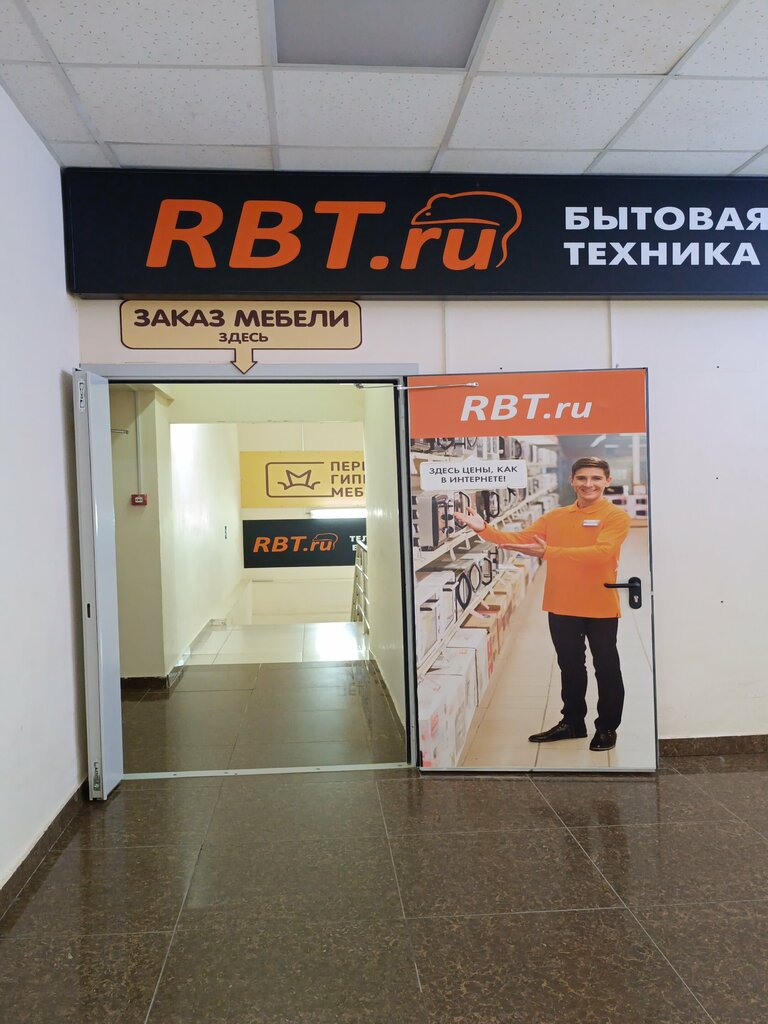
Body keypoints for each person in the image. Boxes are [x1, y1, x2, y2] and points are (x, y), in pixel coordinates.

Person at [455, 457, 631, 752]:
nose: (589, 484)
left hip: (599, 604)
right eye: (582, 478)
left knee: (606, 667)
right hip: (561, 604)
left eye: (596, 478)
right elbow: (519, 539)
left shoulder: (616, 517)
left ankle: (607, 727)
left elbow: (601, 553)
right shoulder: (556, 517)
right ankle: (573, 722)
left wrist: (549, 551)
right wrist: (483, 528)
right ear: (572, 481)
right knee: (570, 666)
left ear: (607, 481)